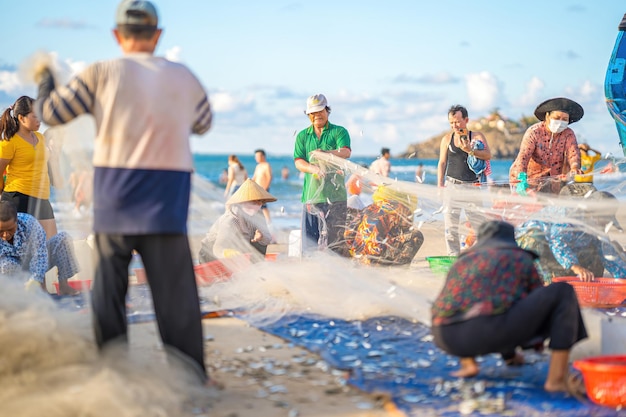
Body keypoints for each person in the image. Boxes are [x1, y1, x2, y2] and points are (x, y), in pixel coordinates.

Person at [36, 0, 212, 383]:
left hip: (115, 200)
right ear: (158, 35)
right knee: (176, 298)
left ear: (117, 35)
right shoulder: (182, 75)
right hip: (166, 202)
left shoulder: (101, 73)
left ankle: (113, 376)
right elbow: (203, 123)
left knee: (108, 295)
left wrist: (46, 77)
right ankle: (192, 378)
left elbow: (51, 113)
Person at [431, 220, 588, 395]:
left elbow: (467, 303)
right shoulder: (518, 257)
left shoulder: (461, 262)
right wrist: (535, 343)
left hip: (444, 336)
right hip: (490, 329)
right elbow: (534, 307)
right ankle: (556, 380)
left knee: (475, 304)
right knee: (563, 291)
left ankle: (469, 364)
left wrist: (510, 356)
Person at [516, 184, 626, 283]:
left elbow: (608, 256)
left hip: (560, 250)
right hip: (535, 241)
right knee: (535, 236)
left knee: (601, 247)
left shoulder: (598, 226)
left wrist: (622, 279)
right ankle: (544, 283)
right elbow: (557, 241)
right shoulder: (571, 214)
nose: (606, 223)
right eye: (604, 218)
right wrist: (575, 267)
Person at [294, 93, 351, 254]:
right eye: (312, 113)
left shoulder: (339, 132)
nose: (317, 115)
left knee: (336, 242)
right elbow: (299, 162)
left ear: (327, 110)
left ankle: (337, 275)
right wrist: (314, 169)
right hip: (312, 196)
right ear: (308, 115)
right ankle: (311, 275)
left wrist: (325, 153)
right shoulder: (302, 136)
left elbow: (345, 152)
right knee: (309, 244)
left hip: (336, 195)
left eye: (320, 111)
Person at [0, 96, 58, 239]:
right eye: (35, 116)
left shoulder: (41, 138)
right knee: (20, 250)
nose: (39, 119)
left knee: (53, 243)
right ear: (21, 118)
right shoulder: (10, 141)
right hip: (18, 198)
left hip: (42, 198)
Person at [437, 104, 491, 255]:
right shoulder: (447, 139)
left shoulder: (477, 136)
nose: (454, 125)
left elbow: (488, 155)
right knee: (450, 226)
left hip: (472, 187)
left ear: (466, 120)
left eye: (457, 121)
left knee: (479, 225)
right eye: (451, 122)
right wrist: (439, 185)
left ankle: (480, 255)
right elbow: (442, 163)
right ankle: (453, 256)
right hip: (452, 186)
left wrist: (470, 150)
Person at [0, 200, 80, 295]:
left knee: (63, 239)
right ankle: (17, 295)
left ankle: (63, 286)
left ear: (17, 221)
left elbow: (40, 254)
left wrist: (35, 280)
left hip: (35, 263)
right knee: (7, 265)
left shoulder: (30, 223)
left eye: (10, 229)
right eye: (1, 231)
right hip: (11, 271)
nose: (5, 235)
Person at [509, 97, 584, 194]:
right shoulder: (534, 132)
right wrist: (522, 180)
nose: (560, 122)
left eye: (564, 119)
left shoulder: (568, 134)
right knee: (527, 206)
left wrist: (575, 167)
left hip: (553, 181)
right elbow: (523, 157)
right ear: (547, 116)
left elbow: (573, 153)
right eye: (557, 118)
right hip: (527, 179)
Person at [198, 179, 276, 264]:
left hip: (239, 247)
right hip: (211, 252)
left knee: (261, 245)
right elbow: (218, 248)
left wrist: (261, 237)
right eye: (253, 202)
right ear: (241, 202)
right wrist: (229, 253)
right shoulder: (231, 219)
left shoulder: (259, 214)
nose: (257, 206)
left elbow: (268, 238)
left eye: (260, 202)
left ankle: (254, 268)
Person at [343, 185, 424, 265]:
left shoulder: (370, 207)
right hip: (379, 257)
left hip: (358, 256)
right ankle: (398, 268)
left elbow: (348, 233)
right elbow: (407, 235)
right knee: (416, 236)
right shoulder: (404, 210)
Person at [251, 149, 273, 224]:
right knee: (257, 206)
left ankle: (269, 223)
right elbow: (254, 177)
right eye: (255, 156)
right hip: (257, 189)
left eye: (258, 156)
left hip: (263, 189)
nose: (256, 158)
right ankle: (259, 221)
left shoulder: (267, 165)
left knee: (263, 206)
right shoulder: (258, 166)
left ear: (263, 156)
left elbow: (269, 177)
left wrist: (265, 188)